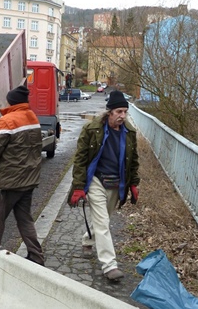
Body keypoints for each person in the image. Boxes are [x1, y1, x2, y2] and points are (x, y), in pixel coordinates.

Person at [67, 90, 140, 281]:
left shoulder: (129, 133)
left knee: (103, 219)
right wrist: (78, 186)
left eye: (125, 111)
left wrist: (134, 183)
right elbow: (80, 160)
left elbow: (133, 161)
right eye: (119, 112)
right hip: (97, 181)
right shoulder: (91, 130)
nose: (122, 116)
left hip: (118, 183)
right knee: (102, 223)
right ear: (109, 112)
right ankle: (110, 265)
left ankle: (87, 239)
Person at [0, 85, 45, 267]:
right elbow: (21, 143)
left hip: (10, 182)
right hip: (28, 180)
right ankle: (36, 256)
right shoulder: (32, 117)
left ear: (11, 101)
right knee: (24, 218)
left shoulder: (6, 121)